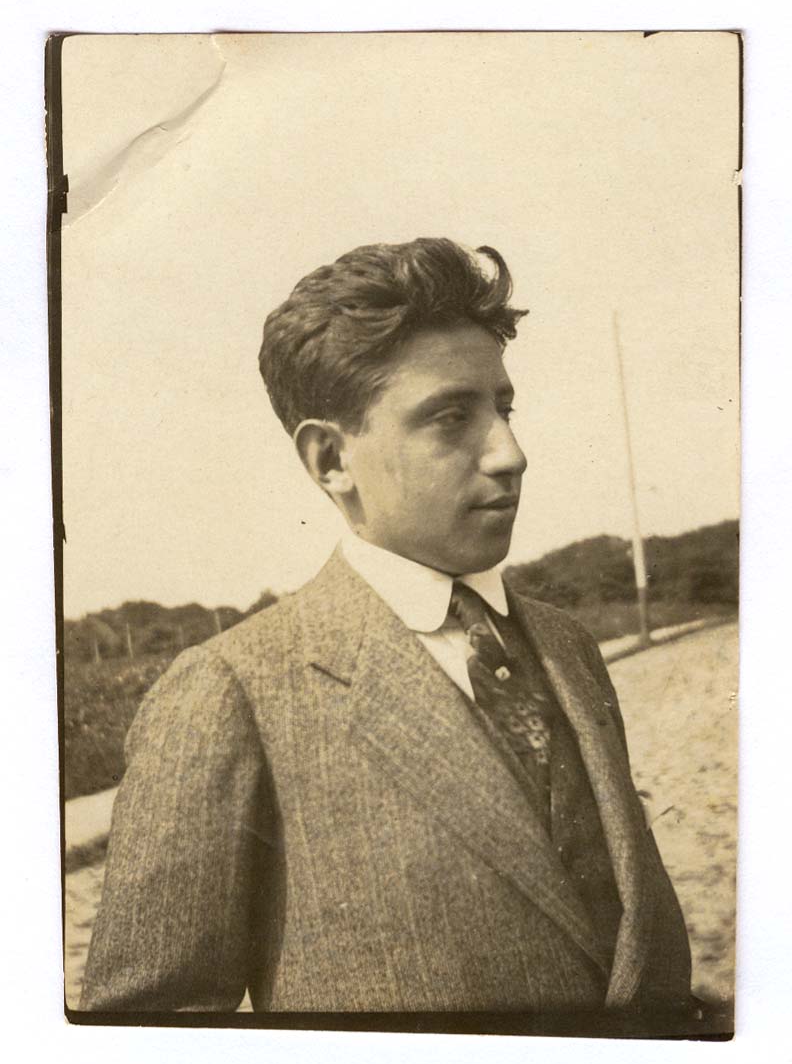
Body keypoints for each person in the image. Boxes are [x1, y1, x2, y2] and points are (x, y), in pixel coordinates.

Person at [79, 237, 693, 1022]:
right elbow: (148, 1037)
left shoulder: (567, 644)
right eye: (451, 418)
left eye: (504, 408)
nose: (511, 453)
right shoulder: (233, 690)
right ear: (331, 459)